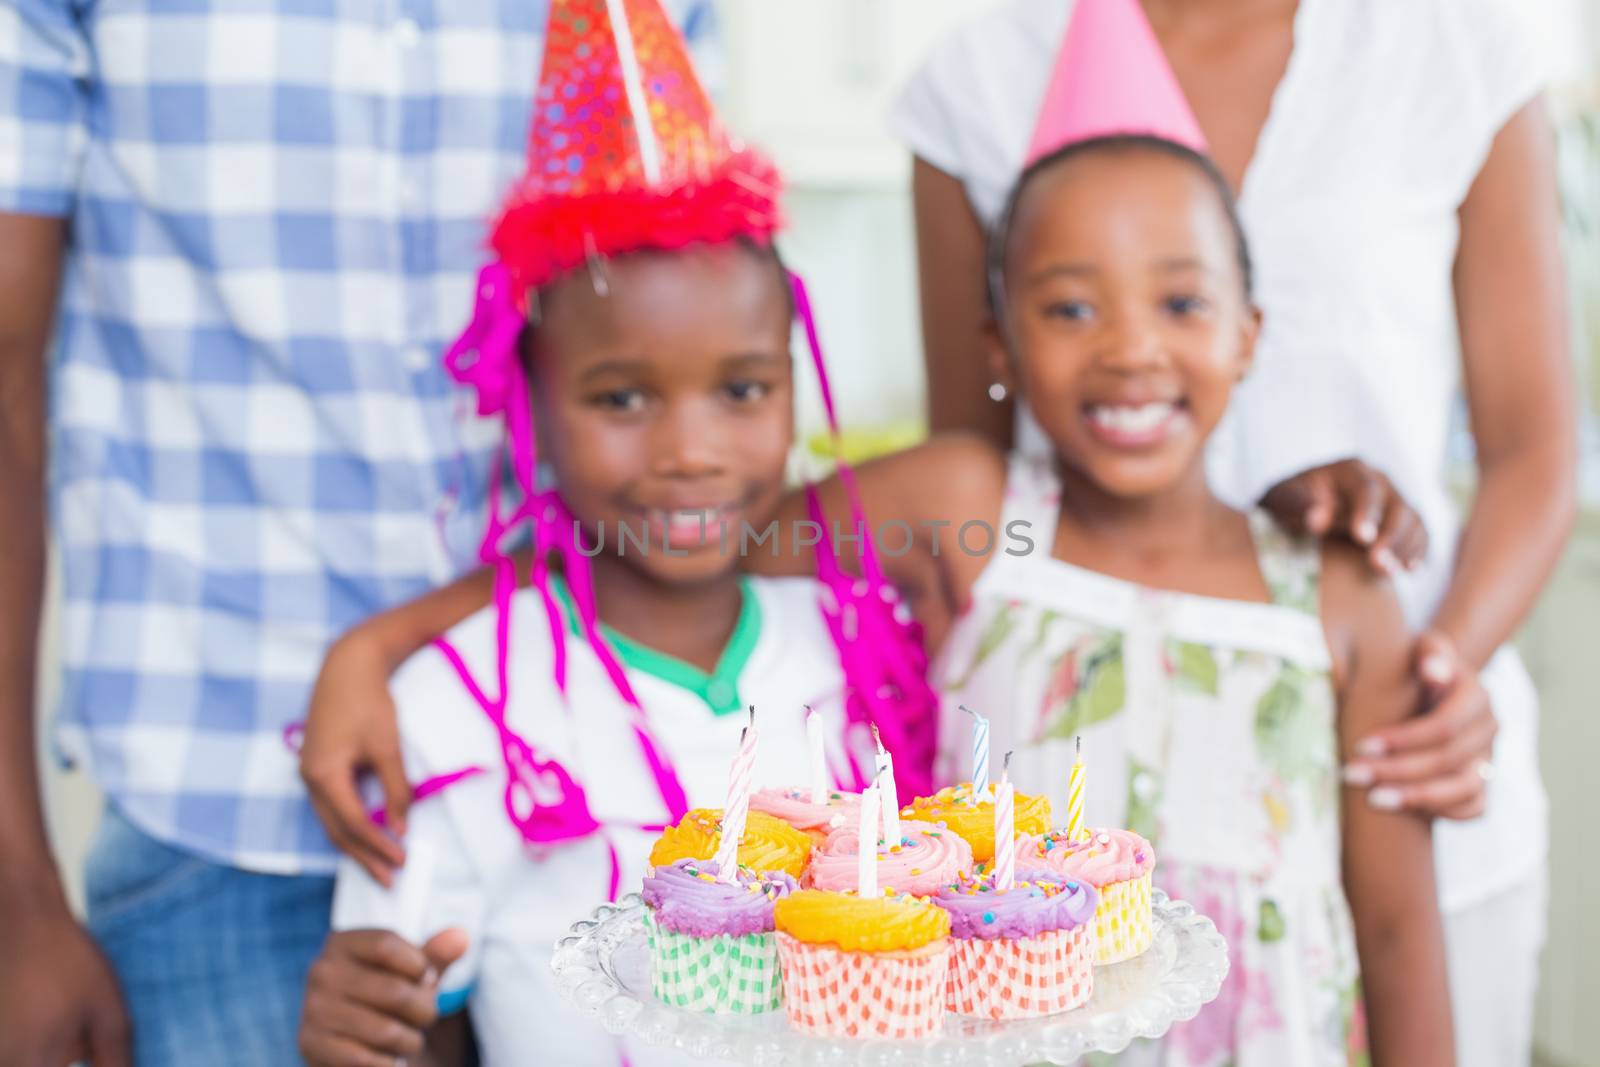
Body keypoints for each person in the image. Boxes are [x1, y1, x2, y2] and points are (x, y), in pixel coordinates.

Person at [0, 2, 721, 1064]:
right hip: (230, 826)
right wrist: (17, 900)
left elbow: (681, 360)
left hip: (596, 809)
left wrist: (389, 641)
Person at [891, 1, 1574, 1061]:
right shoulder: (972, 81)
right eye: (1072, 308)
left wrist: (1433, 671)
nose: (1130, 348)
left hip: (1397, 755)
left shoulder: (1457, 47)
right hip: (1046, 889)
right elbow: (969, 498)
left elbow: (1534, 451)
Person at [295, 4, 928, 1063]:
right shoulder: (452, 711)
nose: (690, 450)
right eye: (623, 399)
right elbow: (414, 1024)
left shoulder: (860, 644)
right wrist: (357, 1034)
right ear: (532, 403)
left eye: (740, 387)